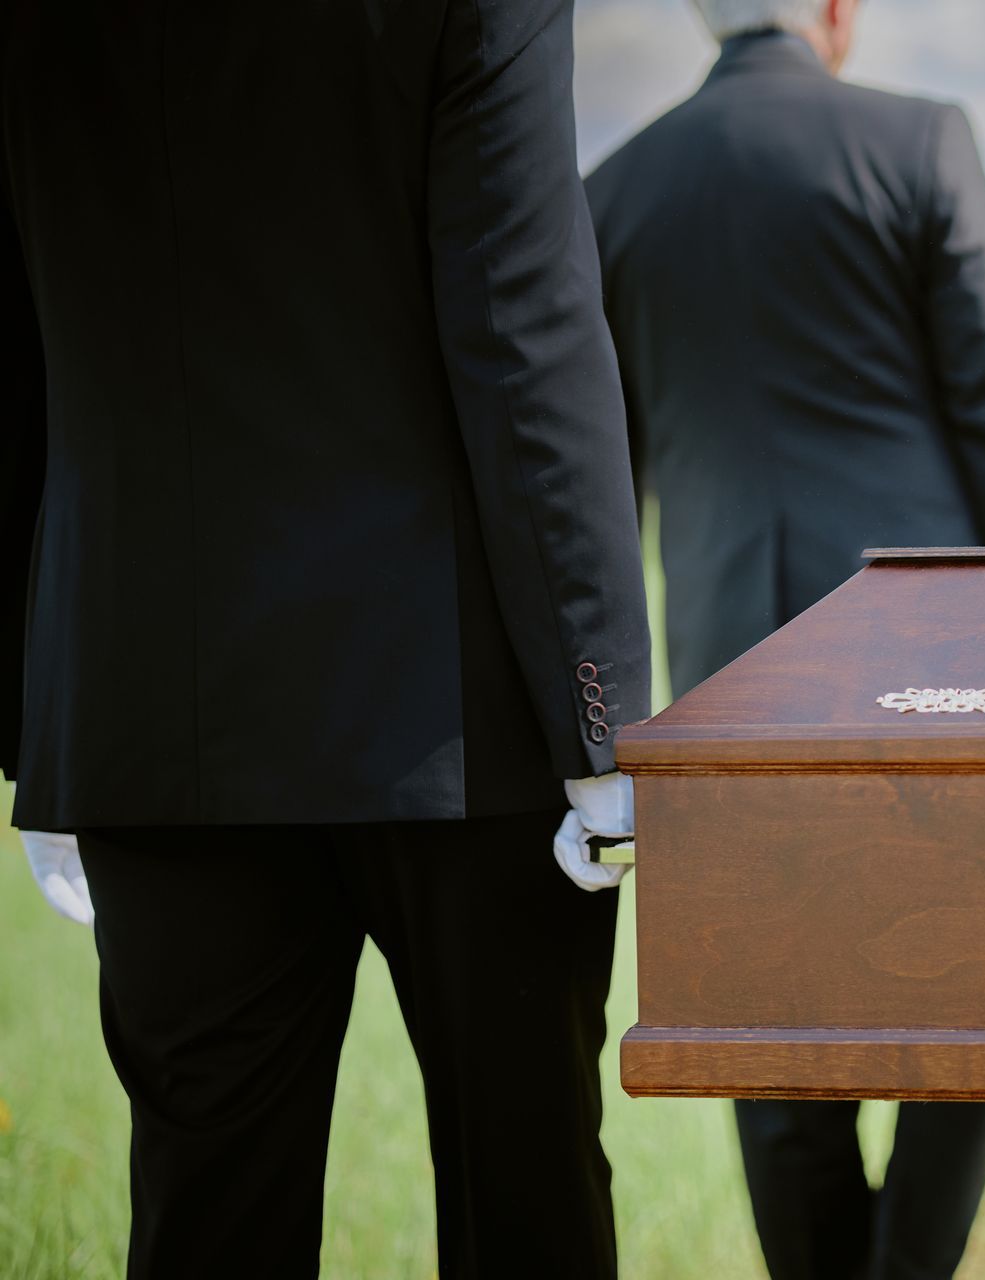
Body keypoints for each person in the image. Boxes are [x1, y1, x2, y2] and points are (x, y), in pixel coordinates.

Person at [2, 2, 648, 1275]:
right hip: (465, 717)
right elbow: (523, 324)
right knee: (527, 1203)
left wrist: (35, 709)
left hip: (148, 703)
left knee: (209, 1222)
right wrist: (603, 724)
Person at [587, 1, 985, 1275]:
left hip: (727, 671)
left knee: (772, 1019)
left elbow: (600, 485)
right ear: (838, 12)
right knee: (978, 992)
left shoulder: (613, 191)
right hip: (938, 666)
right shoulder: (918, 143)